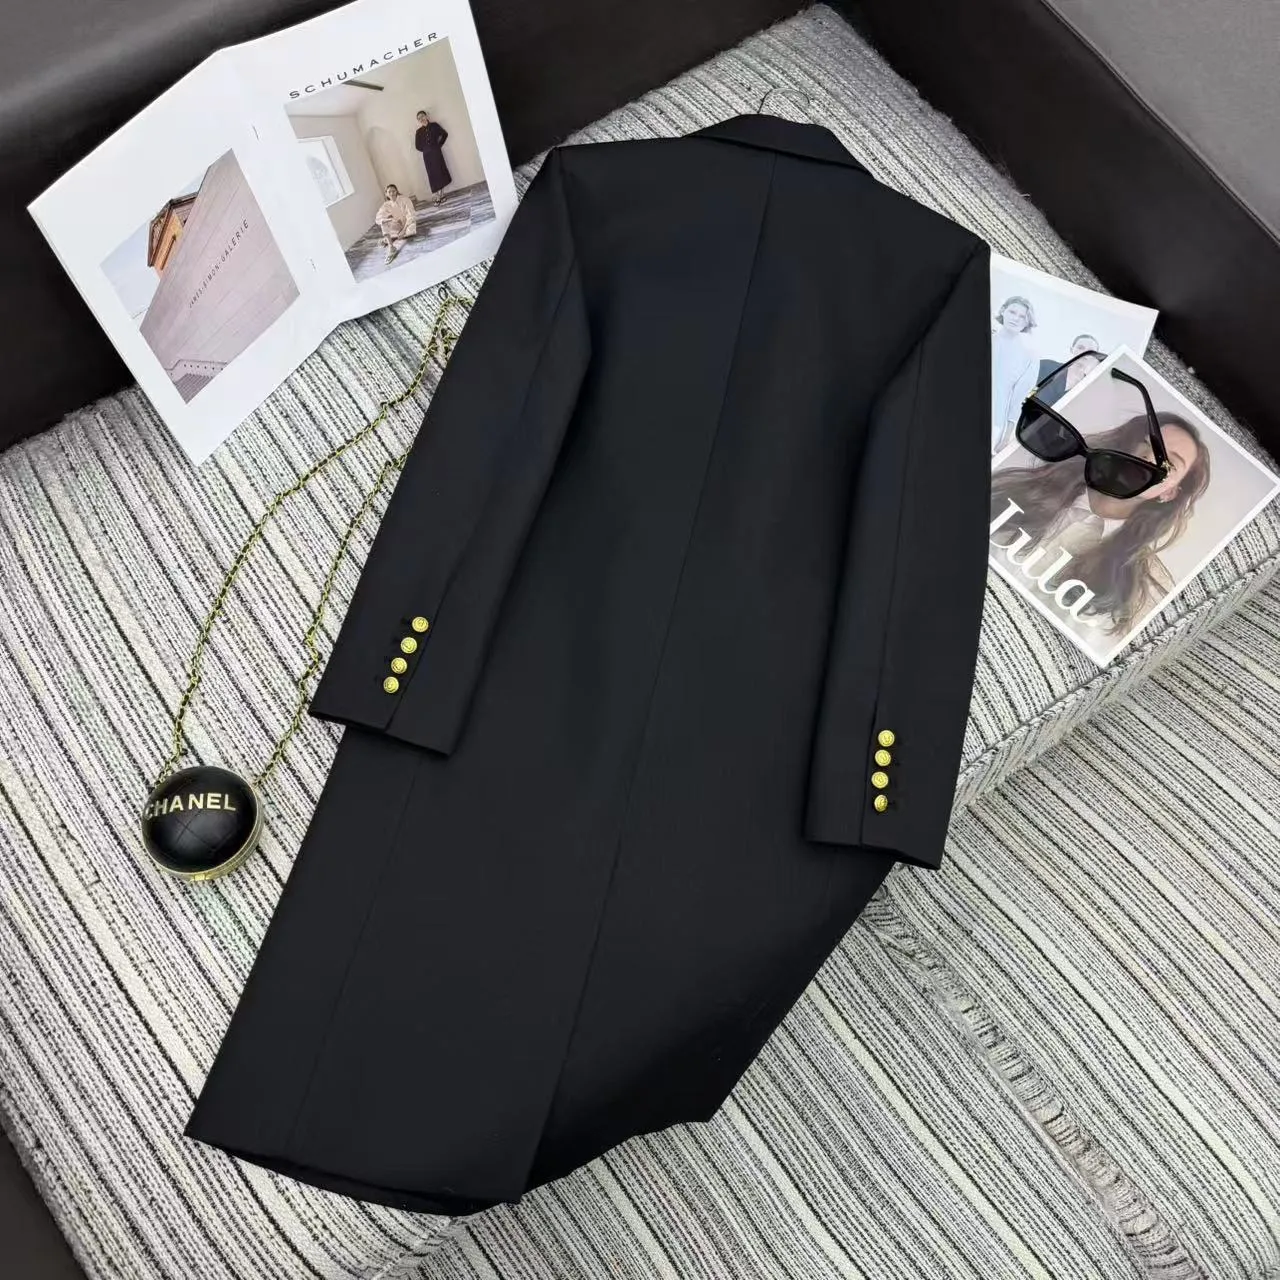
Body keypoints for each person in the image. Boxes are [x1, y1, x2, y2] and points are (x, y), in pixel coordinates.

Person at [991, 410, 1210, 638]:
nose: (1148, 459)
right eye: (1147, 444)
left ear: (1169, 493)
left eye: (1169, 464)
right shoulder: (1028, 485)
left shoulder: (1140, 586)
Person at [991, 295, 1038, 454]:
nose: (1016, 318)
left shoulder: (1030, 355)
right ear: (1003, 311)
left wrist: (1006, 438)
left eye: (1022, 316)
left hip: (994, 423)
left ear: (1027, 322)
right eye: (1012, 312)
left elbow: (1021, 398)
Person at [1036, 333, 1102, 406]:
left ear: (1095, 356)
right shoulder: (1045, 366)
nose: (1085, 353)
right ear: (1071, 349)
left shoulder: (1088, 389)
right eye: (1080, 348)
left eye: (1091, 351)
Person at [414, 110, 452, 204]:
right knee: (432, 175)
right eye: (419, 118)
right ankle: (439, 195)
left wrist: (438, 145)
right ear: (418, 120)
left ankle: (440, 196)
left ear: (426, 116)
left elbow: (444, 134)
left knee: (440, 171)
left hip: (436, 153)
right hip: (427, 157)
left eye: (422, 116)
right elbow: (417, 146)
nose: (421, 119)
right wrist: (426, 150)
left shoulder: (434, 125)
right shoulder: (418, 132)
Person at [374, 184, 417, 265]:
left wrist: (403, 230)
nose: (392, 193)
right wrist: (388, 220)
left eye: (393, 191)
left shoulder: (405, 199)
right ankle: (391, 247)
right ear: (386, 194)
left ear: (396, 191)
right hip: (398, 224)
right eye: (389, 192)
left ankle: (389, 239)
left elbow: (411, 215)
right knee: (384, 222)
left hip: (408, 224)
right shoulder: (386, 205)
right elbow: (378, 219)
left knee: (410, 231)